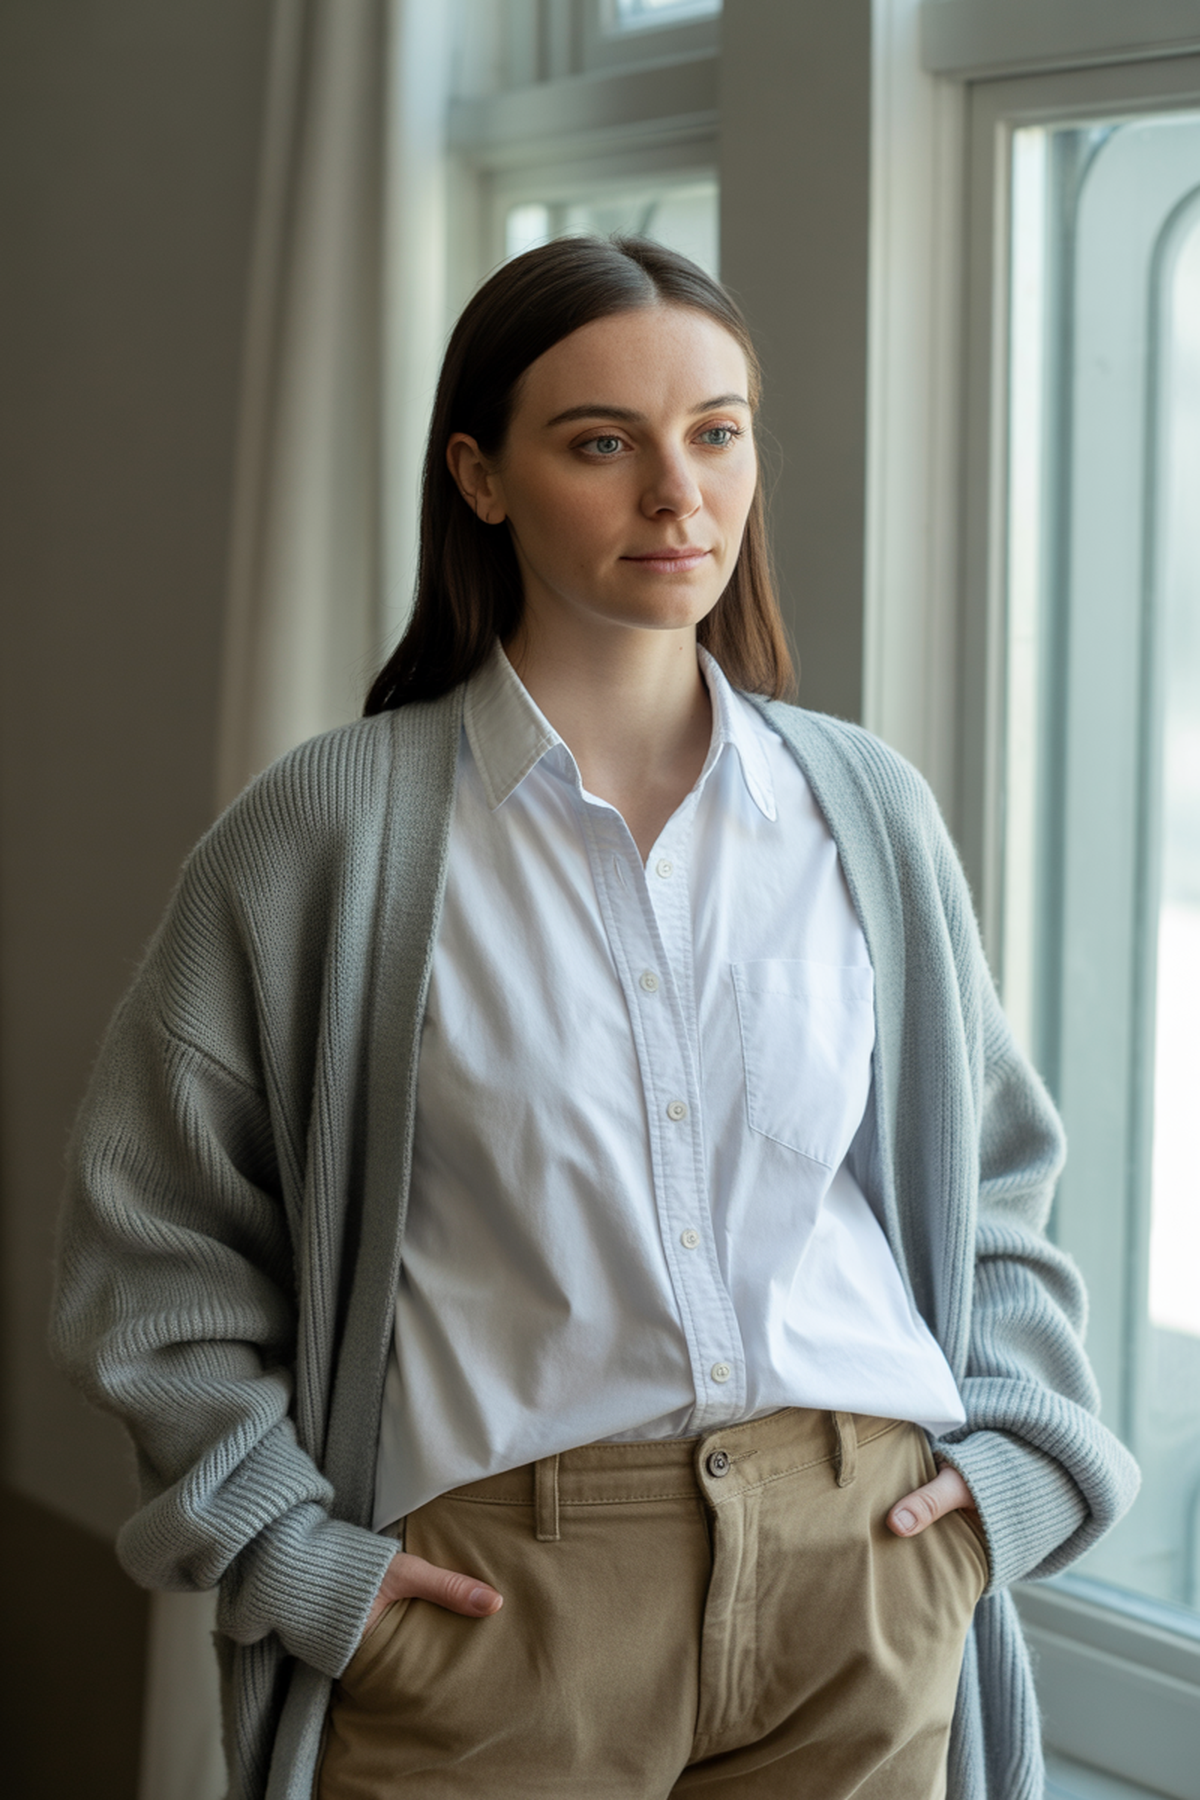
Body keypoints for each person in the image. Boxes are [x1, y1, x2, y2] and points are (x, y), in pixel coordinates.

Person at [52, 235, 1138, 1800]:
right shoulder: (333, 834)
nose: (676, 495)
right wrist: (293, 1559)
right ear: (481, 478)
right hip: (492, 1613)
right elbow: (149, 1250)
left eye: (716, 430)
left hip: (872, 1576)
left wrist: (1011, 1486)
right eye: (601, 443)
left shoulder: (864, 813)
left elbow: (992, 1191)